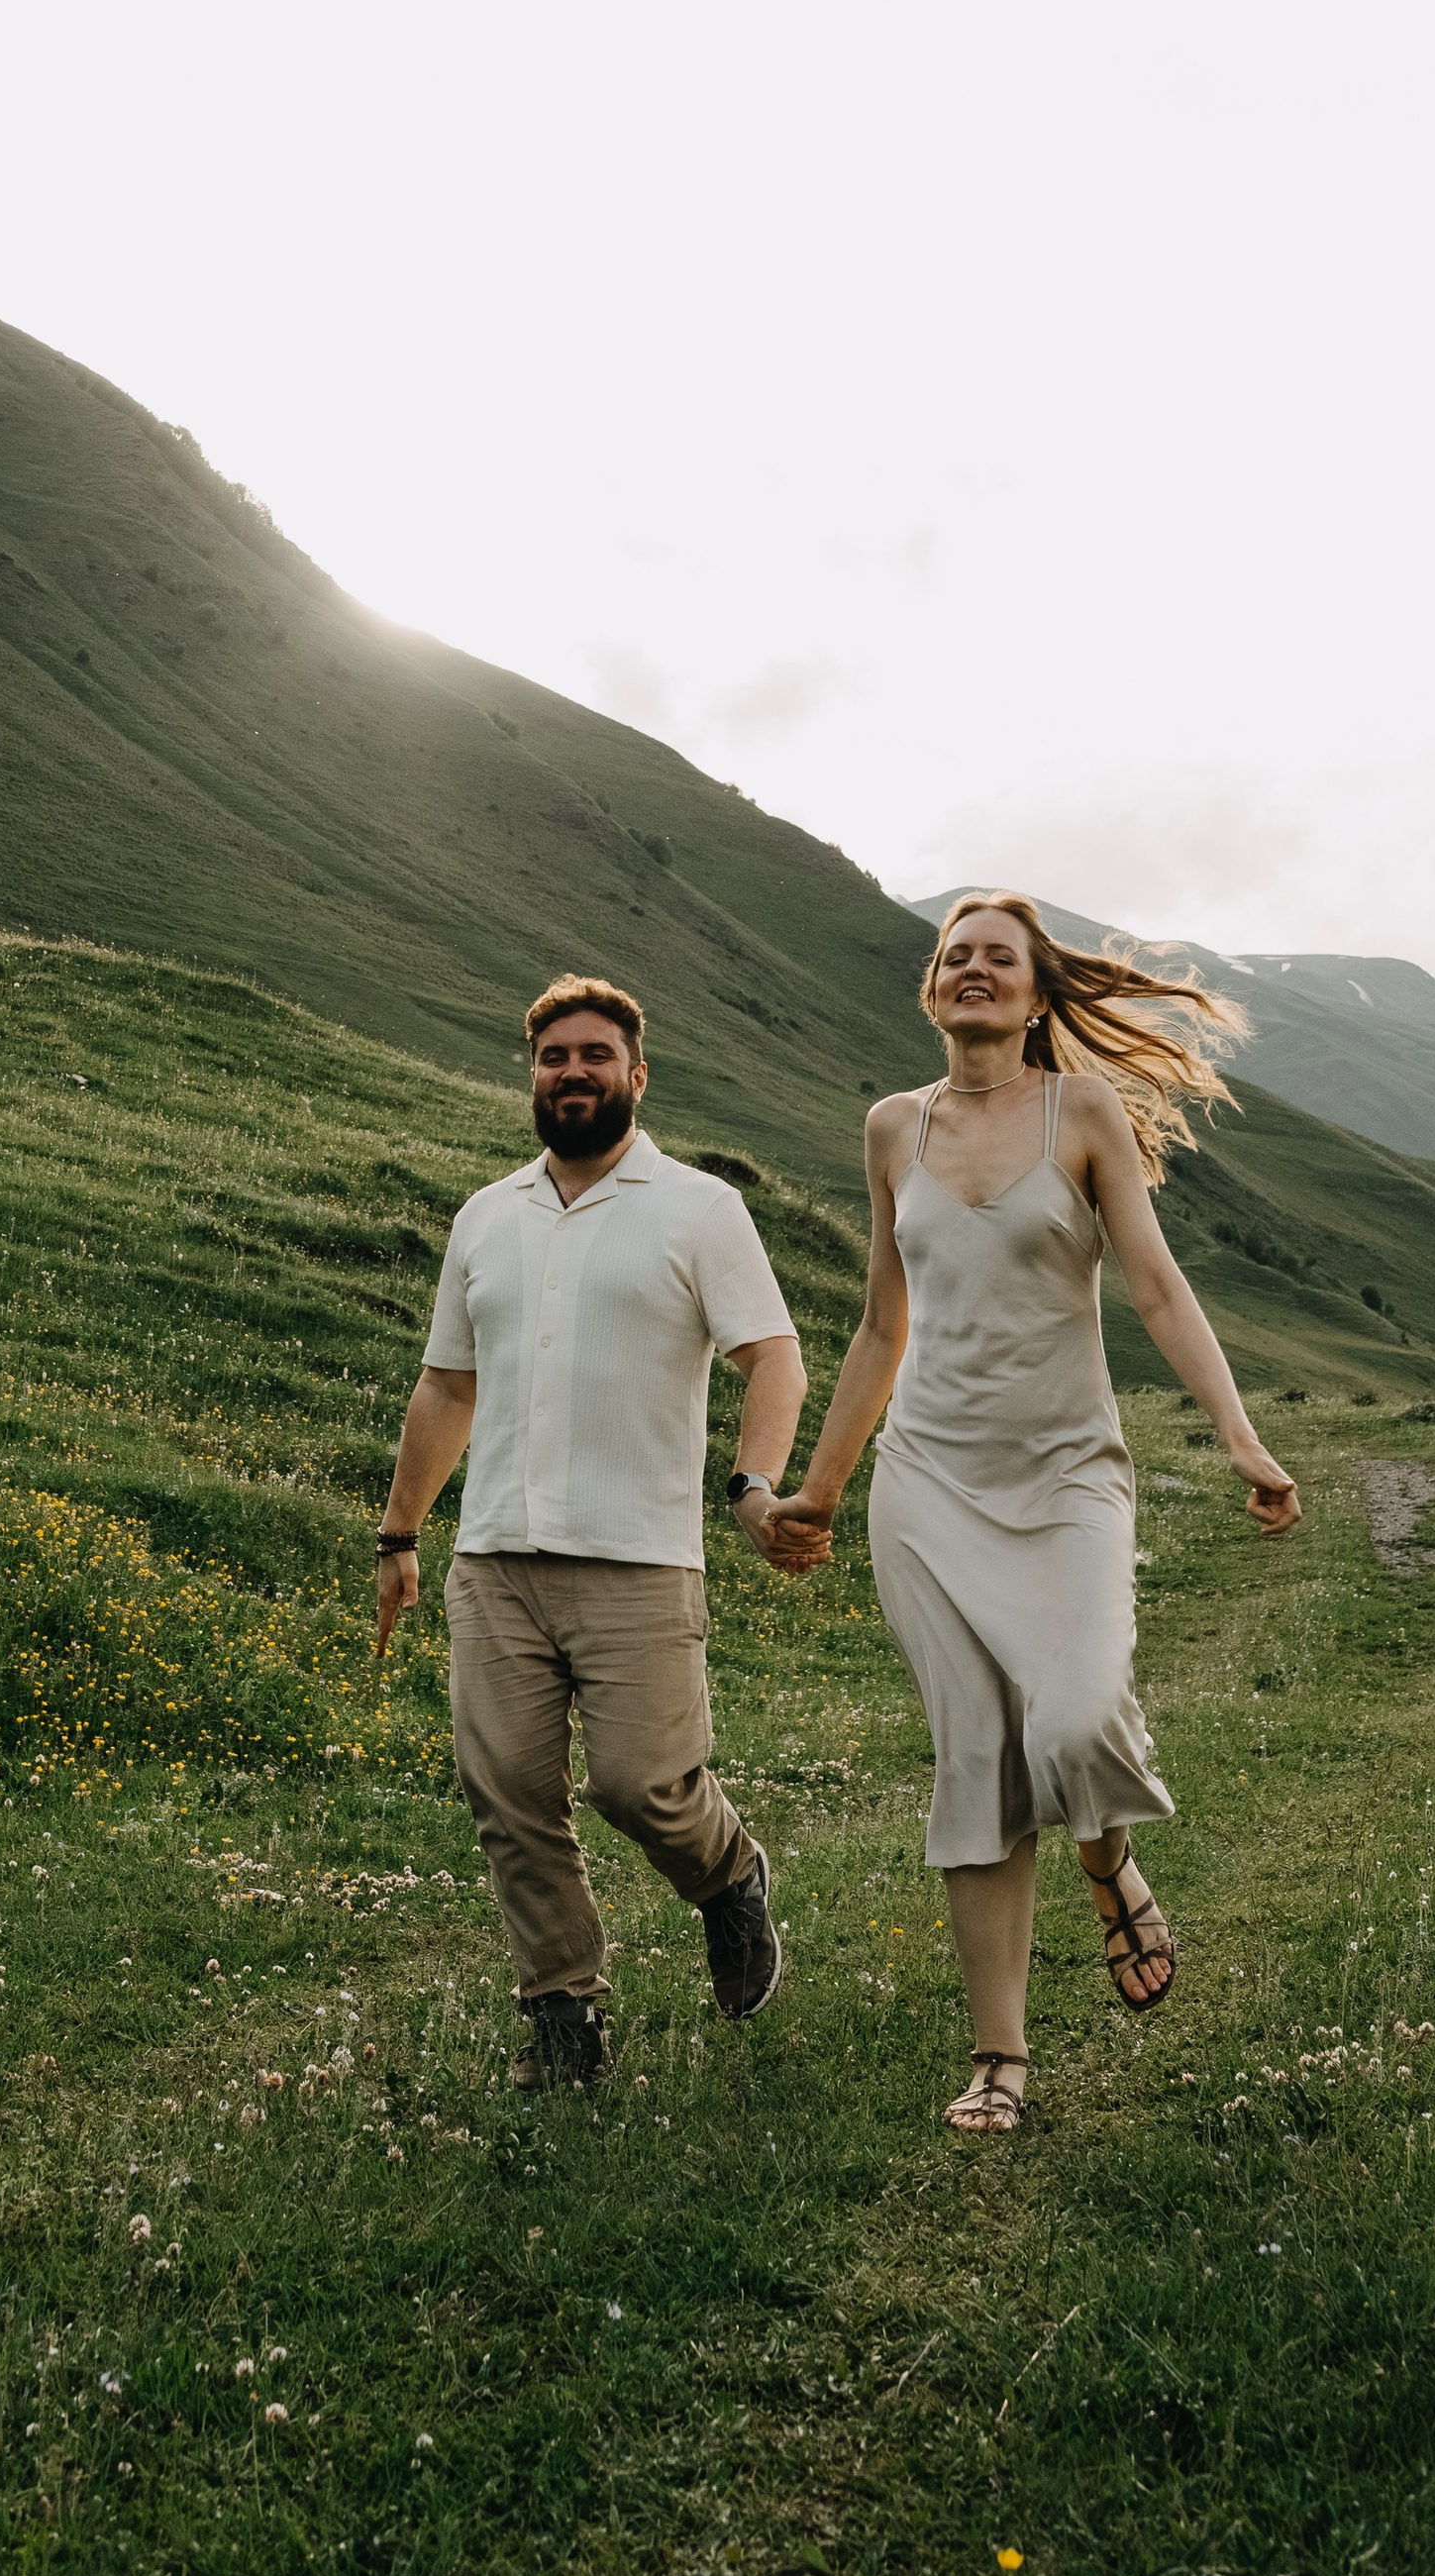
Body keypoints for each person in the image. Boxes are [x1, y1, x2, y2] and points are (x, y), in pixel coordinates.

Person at [758, 895, 1299, 2133]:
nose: (974, 970)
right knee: (978, 1761)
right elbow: (882, 1323)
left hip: (1065, 1478)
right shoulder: (892, 1127)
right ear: (930, 988)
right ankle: (997, 2058)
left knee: (1072, 1717)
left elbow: (1154, 1285)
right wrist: (822, 1489)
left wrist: (1238, 1434)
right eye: (954, 956)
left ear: (1037, 991)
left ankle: (1108, 1859)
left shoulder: (1081, 1112)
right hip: (927, 1484)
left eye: (999, 957)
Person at [374, 974, 806, 2087]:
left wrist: (755, 1483)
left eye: (595, 1055)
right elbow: (446, 1385)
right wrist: (399, 1534)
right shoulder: (486, 1215)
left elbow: (773, 1355)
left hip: (640, 1557)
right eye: (554, 1055)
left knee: (640, 1783)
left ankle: (729, 1876)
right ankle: (563, 2016)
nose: (573, 1071)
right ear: (533, 1073)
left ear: (636, 1075)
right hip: (495, 1559)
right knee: (510, 1797)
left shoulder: (699, 1208)